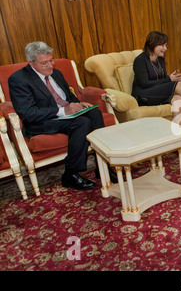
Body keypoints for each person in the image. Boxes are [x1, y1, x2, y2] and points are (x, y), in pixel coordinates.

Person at [8, 41, 110, 190]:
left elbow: (68, 96)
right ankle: (70, 174)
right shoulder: (19, 80)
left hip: (65, 115)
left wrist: (78, 104)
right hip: (42, 121)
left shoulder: (56, 73)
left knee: (94, 112)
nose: (50, 65)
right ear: (31, 63)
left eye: (51, 60)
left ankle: (103, 167)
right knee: (82, 123)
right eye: (44, 63)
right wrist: (62, 111)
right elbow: (28, 113)